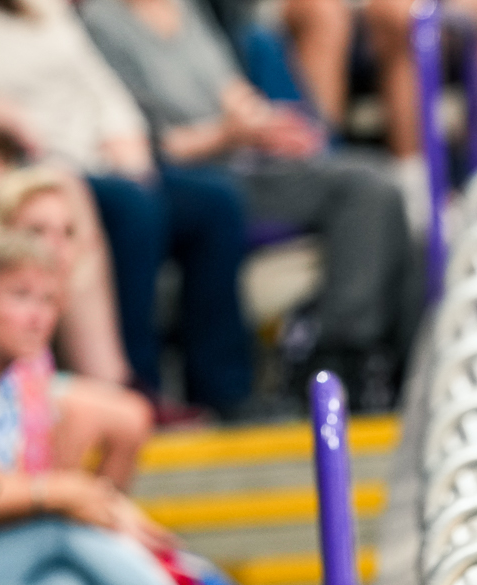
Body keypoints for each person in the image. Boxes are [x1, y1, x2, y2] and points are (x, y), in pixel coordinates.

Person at [0, 228, 326, 585]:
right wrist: (63, 492)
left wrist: (95, 506)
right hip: (16, 554)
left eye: (50, 299)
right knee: (64, 529)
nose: (39, 315)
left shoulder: (14, 387)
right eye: (20, 297)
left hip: (20, 564)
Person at [82, 0, 424, 406]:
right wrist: (228, 135)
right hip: (195, 171)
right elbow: (146, 143)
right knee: (364, 190)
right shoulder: (101, 22)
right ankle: (336, 357)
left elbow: (234, 93)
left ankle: (387, 361)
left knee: (384, 185)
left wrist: (273, 125)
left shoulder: (187, 12)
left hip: (248, 157)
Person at [0, 0, 254, 416]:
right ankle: (137, 381)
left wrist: (128, 138)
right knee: (134, 209)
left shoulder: (46, 11)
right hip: (34, 161)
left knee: (213, 203)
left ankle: (224, 390)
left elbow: (99, 83)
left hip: (102, 156)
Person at [0, 170, 154, 487]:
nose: (56, 246)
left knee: (125, 414)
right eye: (36, 231)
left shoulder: (49, 305)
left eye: (68, 232)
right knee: (80, 414)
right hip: (5, 496)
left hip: (15, 489)